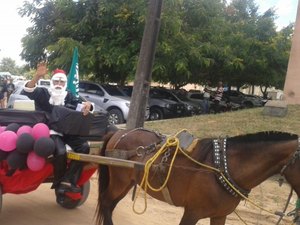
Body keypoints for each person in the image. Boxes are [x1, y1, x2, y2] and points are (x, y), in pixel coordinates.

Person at [21, 62, 93, 195]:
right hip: (49, 131)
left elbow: (81, 105)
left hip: (68, 131)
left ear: (64, 83)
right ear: (52, 82)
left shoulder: (69, 95)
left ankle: (67, 180)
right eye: (56, 81)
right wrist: (37, 76)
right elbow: (28, 90)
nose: (58, 84)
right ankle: (60, 183)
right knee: (60, 152)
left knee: (84, 148)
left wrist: (88, 105)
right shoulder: (43, 92)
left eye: (61, 81)